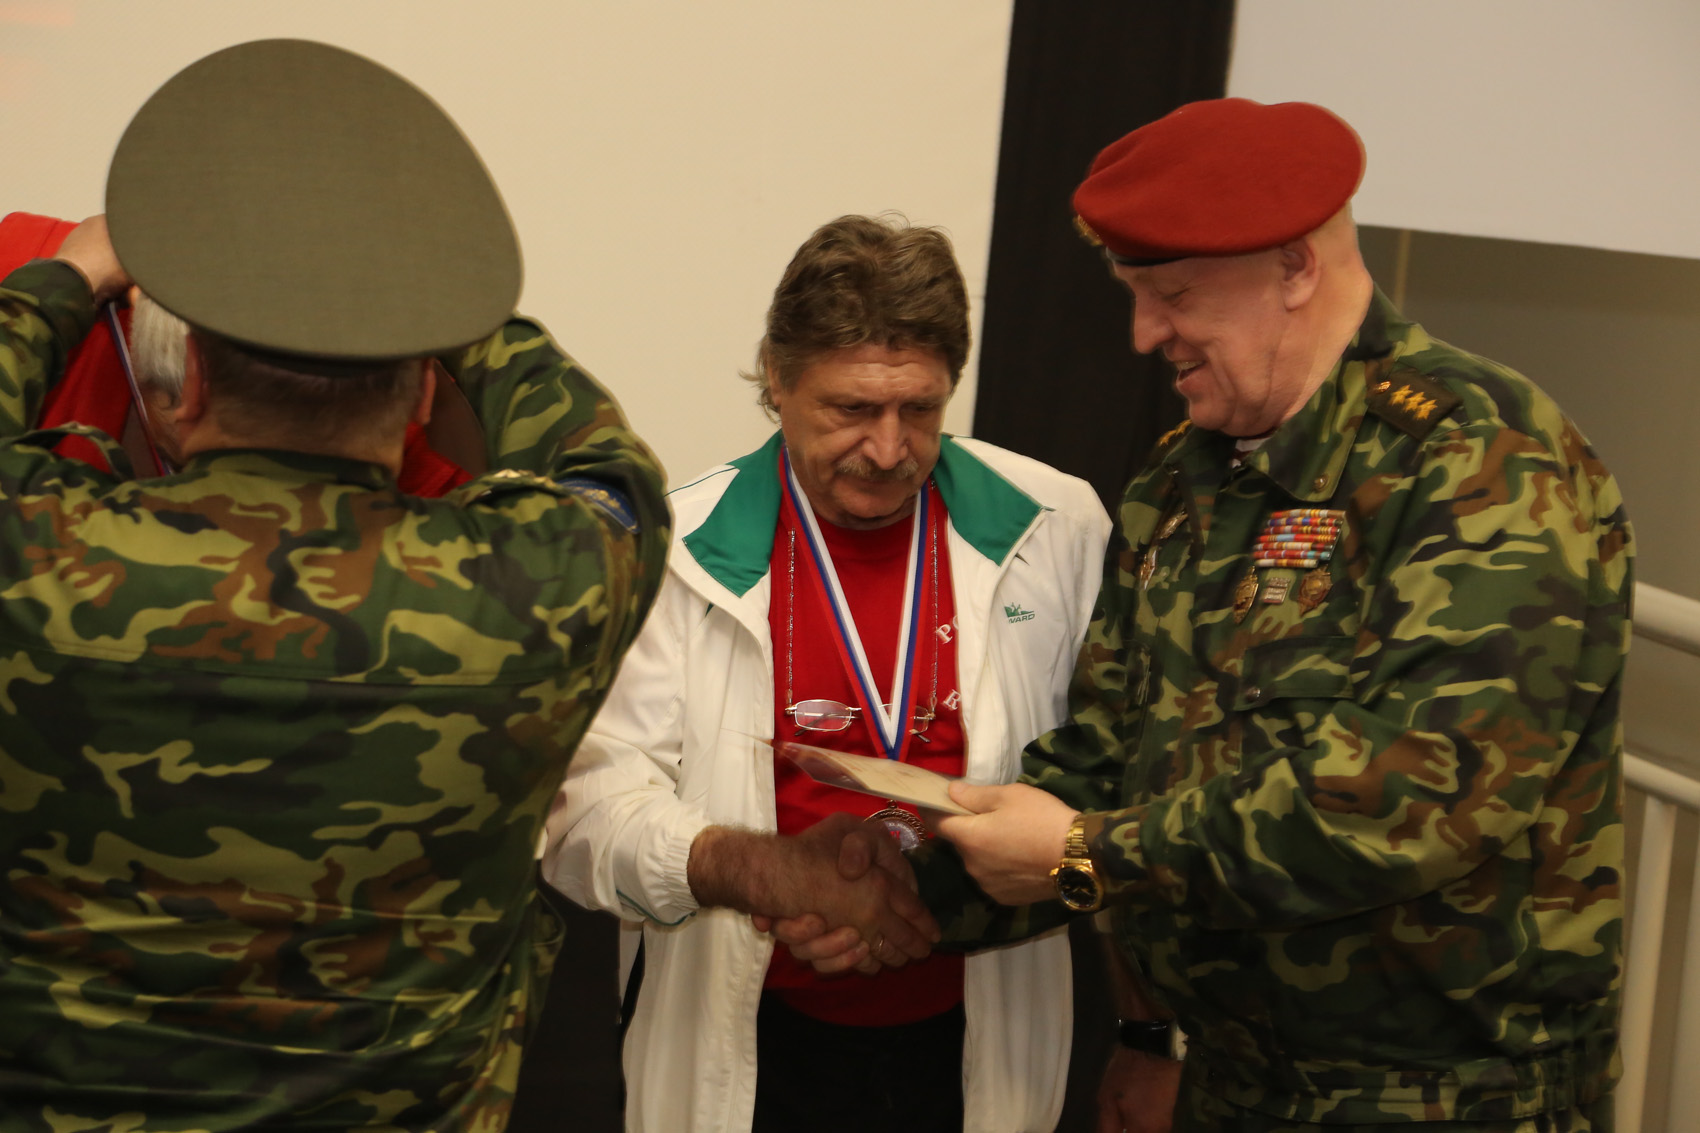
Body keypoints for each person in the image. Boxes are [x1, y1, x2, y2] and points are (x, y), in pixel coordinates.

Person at [904, 98, 1632, 1131]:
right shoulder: (1182, 477)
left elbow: (1417, 793)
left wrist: (1085, 853)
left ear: (1294, 267)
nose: (1144, 334)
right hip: (1231, 1081)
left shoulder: (1479, 457)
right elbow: (1110, 751)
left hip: (1439, 1100)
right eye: (1133, 295)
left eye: (1172, 295)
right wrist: (916, 888)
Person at [0, 39, 670, 1131]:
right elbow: (609, 469)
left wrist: (67, 279)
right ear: (423, 391)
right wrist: (458, 307)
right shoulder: (536, 598)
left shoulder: (41, 562)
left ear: (189, 379)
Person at [542, 214, 1112, 1132]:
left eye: (919, 409)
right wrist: (764, 873)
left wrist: (1149, 1030)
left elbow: (1115, 779)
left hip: (977, 1037)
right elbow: (586, 818)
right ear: (777, 378)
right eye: (851, 409)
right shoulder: (675, 550)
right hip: (751, 1046)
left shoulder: (1057, 526)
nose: (888, 449)